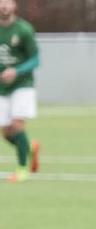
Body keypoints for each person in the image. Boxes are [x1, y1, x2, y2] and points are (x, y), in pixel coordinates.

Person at [0, 0, 39, 183]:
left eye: (7, 2)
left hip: (22, 85)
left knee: (17, 125)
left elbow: (35, 60)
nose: (3, 6)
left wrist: (17, 71)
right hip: (2, 88)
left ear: (14, 5)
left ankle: (22, 169)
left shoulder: (24, 30)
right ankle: (29, 148)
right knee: (7, 133)